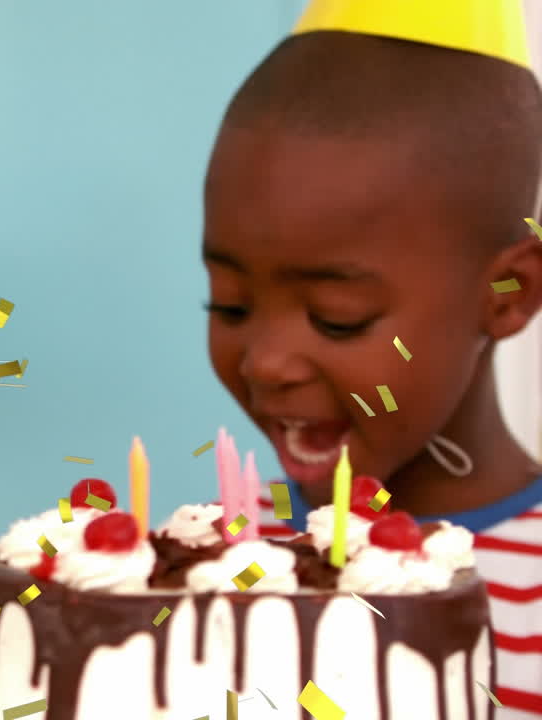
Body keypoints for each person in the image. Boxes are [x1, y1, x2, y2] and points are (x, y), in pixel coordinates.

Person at [204, 0, 542, 716]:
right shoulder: (213, 556)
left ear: (510, 292)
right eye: (230, 304)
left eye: (337, 319)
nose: (266, 362)